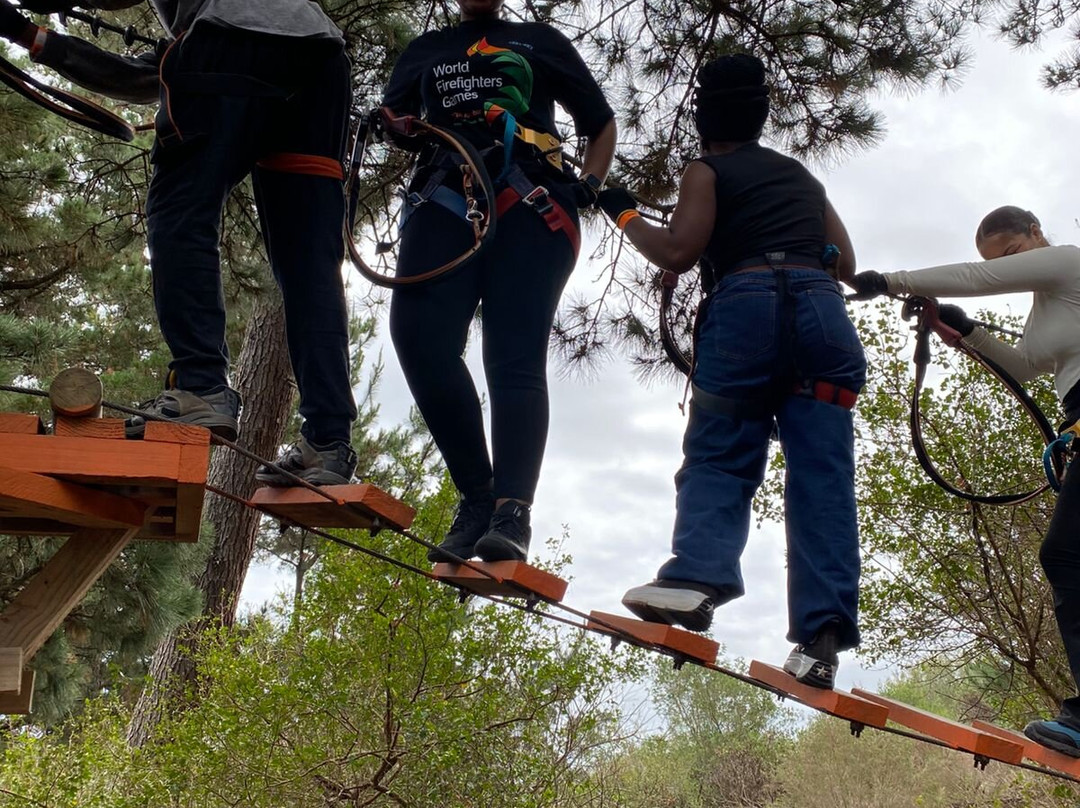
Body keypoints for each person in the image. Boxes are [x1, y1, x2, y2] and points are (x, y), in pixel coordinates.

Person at [0, 0, 358, 486]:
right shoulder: (207, 41)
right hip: (320, 61)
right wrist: (29, 35)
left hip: (233, 40)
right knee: (308, 262)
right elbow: (141, 78)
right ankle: (329, 444)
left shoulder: (213, 28)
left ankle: (201, 385)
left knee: (180, 212)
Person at [596, 54, 865, 689]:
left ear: (705, 119)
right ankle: (820, 640)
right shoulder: (800, 176)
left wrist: (624, 211)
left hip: (745, 308)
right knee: (822, 478)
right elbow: (847, 263)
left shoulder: (706, 168)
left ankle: (696, 579)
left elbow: (679, 250)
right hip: (823, 318)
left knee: (720, 454)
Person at [381, 0, 616, 563]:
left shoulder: (540, 41)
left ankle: (512, 514)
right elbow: (397, 125)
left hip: (531, 198)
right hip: (445, 192)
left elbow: (599, 123)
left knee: (511, 354)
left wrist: (588, 184)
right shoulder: (426, 50)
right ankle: (478, 498)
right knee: (418, 337)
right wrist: (393, 126)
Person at [851, 206, 1080, 755]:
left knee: (1067, 556)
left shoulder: (1068, 263)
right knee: (1069, 558)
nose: (1006, 268)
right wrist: (967, 331)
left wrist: (890, 281)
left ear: (1036, 232)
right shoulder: (1047, 310)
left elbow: (978, 280)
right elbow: (1025, 366)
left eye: (1012, 255)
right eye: (996, 261)